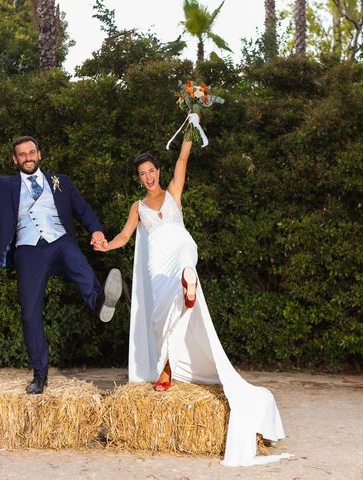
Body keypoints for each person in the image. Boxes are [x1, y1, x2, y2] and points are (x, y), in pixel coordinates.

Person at [93, 138, 287, 467]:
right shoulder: (137, 208)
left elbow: (184, 156)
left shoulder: (173, 192)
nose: (148, 177)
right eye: (142, 174)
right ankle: (167, 359)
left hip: (179, 249)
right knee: (159, 318)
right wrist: (105, 246)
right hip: (157, 263)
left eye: (151, 170)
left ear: (158, 171)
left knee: (187, 258)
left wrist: (191, 117)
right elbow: (125, 237)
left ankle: (189, 280)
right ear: (138, 178)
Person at [0, 136, 122, 395]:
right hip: (28, 250)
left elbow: (82, 209)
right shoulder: (5, 185)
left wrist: (95, 230)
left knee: (79, 263)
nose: (27, 157)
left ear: (40, 154)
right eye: (22, 154)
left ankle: (100, 303)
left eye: (31, 152)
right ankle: (40, 375)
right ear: (14, 159)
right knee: (30, 314)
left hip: (59, 240)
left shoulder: (61, 182)